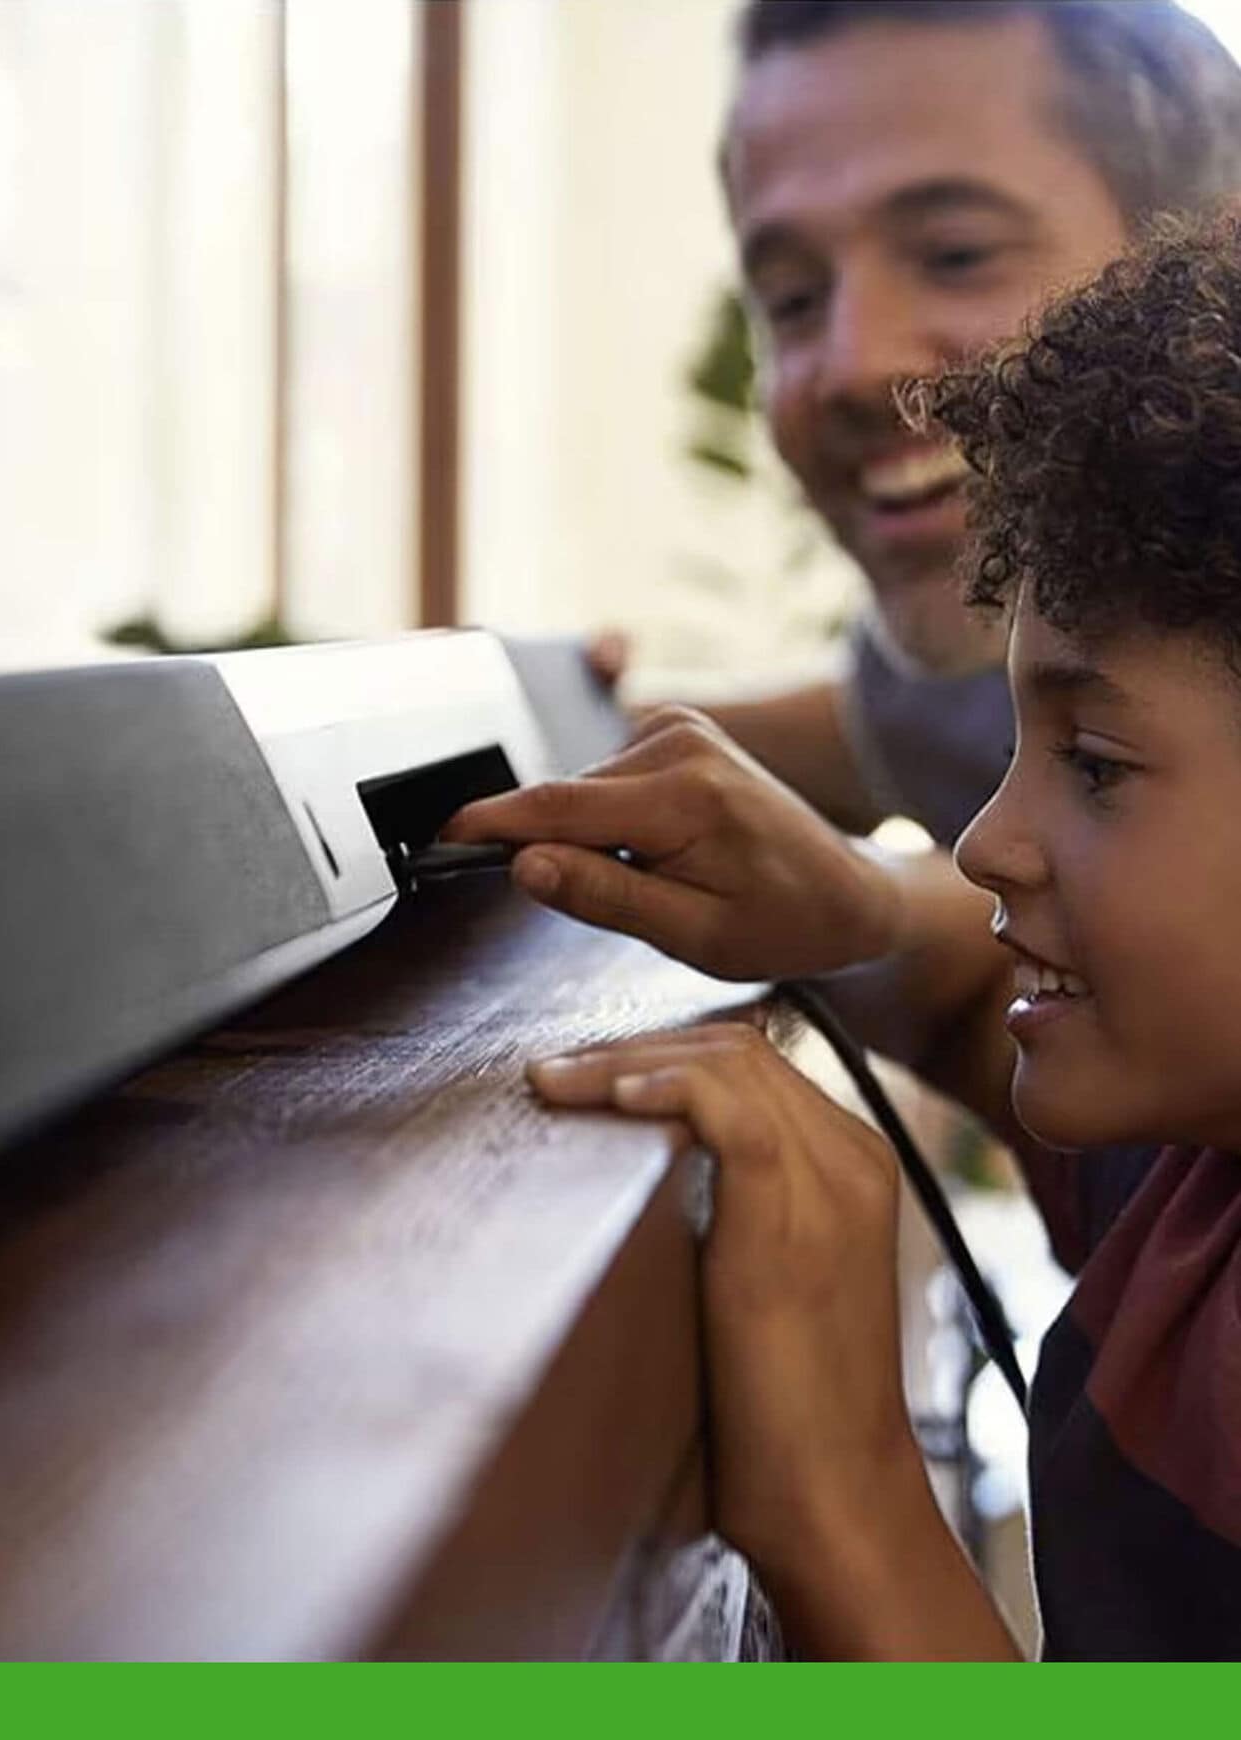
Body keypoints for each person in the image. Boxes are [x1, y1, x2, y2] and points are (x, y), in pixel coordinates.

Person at [530, 212, 1241, 1659]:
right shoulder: (1187, 1165)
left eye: (1094, 763)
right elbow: (963, 968)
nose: (981, 840)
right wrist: (846, 906)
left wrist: (841, 1499)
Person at [448, 1, 1241, 1174]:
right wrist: (535, 736)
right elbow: (864, 725)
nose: (853, 364)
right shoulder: (943, 665)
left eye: (957, 252)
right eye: (791, 300)